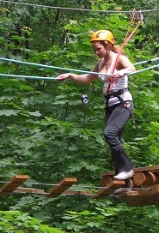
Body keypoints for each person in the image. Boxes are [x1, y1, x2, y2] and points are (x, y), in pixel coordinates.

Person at [57, 30, 136, 180]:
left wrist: (122, 72)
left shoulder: (118, 58)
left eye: (98, 49)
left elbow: (132, 68)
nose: (96, 52)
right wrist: (70, 76)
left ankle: (127, 167)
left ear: (108, 45)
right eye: (94, 50)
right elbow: (87, 78)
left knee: (109, 134)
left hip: (123, 103)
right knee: (114, 141)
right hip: (110, 106)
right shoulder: (100, 63)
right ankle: (124, 178)